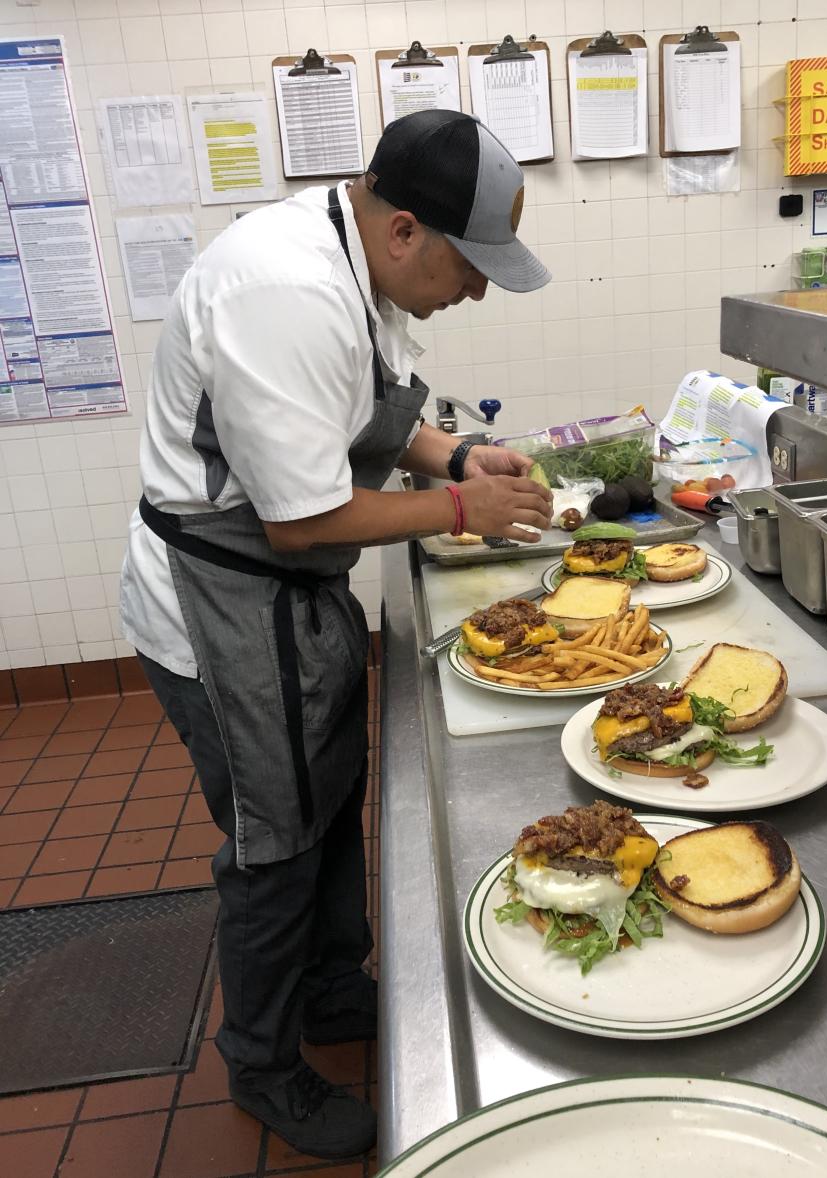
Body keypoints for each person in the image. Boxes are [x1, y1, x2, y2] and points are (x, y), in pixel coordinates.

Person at [119, 109, 553, 1160]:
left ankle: (328, 989)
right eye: (473, 264)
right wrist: (463, 515)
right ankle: (262, 1062)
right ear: (406, 230)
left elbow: (372, 413)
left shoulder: (350, 256)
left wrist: (456, 461)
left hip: (288, 600)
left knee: (329, 796)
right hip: (222, 607)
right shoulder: (285, 289)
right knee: (275, 846)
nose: (480, 289)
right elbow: (301, 516)